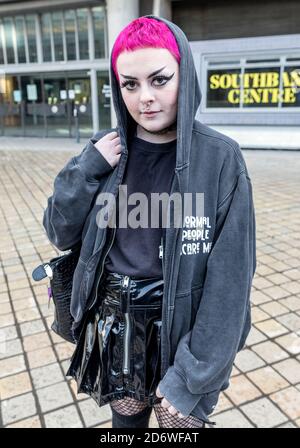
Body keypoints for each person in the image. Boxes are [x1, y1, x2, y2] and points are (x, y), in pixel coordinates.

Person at [43, 15, 256, 428]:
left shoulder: (220, 160)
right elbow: (58, 231)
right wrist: (85, 170)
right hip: (119, 326)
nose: (146, 98)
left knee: (178, 429)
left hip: (184, 337)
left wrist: (193, 375)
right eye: (130, 84)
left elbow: (230, 283)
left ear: (185, 75)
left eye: (160, 80)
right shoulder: (104, 153)